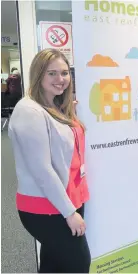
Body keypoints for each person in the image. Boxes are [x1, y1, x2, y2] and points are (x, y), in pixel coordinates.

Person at [8, 48, 91, 273]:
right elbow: (42, 170)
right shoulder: (29, 111)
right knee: (78, 264)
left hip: (64, 199)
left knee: (54, 265)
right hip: (45, 207)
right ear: (38, 74)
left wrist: (68, 115)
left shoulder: (54, 106)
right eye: (52, 73)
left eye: (64, 73)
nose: (60, 79)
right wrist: (69, 213)